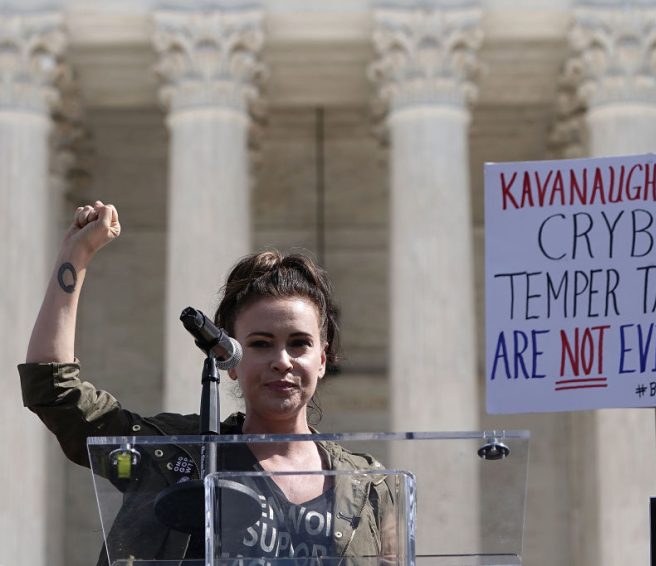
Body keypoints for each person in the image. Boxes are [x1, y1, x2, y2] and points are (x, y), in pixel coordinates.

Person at [19, 201, 396, 565]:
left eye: (299, 344)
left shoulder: (369, 487)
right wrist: (75, 257)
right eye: (261, 344)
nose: (282, 361)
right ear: (228, 360)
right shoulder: (179, 457)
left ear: (322, 360)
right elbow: (56, 393)